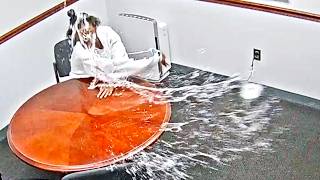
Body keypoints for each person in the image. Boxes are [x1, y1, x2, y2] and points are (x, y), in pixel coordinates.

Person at [68, 12, 168, 98]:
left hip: (109, 81)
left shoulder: (108, 34)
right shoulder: (80, 50)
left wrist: (154, 60)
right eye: (82, 35)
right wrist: (105, 80)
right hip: (82, 85)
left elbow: (122, 64)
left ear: (95, 26)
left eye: (89, 32)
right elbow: (93, 72)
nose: (87, 37)